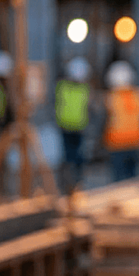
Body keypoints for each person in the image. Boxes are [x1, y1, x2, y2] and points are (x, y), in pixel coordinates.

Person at [103, 61, 139, 183]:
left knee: (119, 182)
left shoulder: (111, 97)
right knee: (134, 179)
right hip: (137, 141)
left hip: (117, 143)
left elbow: (105, 119)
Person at [56, 57, 92, 189]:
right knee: (70, 157)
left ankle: (75, 184)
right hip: (69, 128)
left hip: (74, 128)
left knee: (75, 158)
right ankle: (70, 184)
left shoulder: (63, 87)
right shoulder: (81, 89)